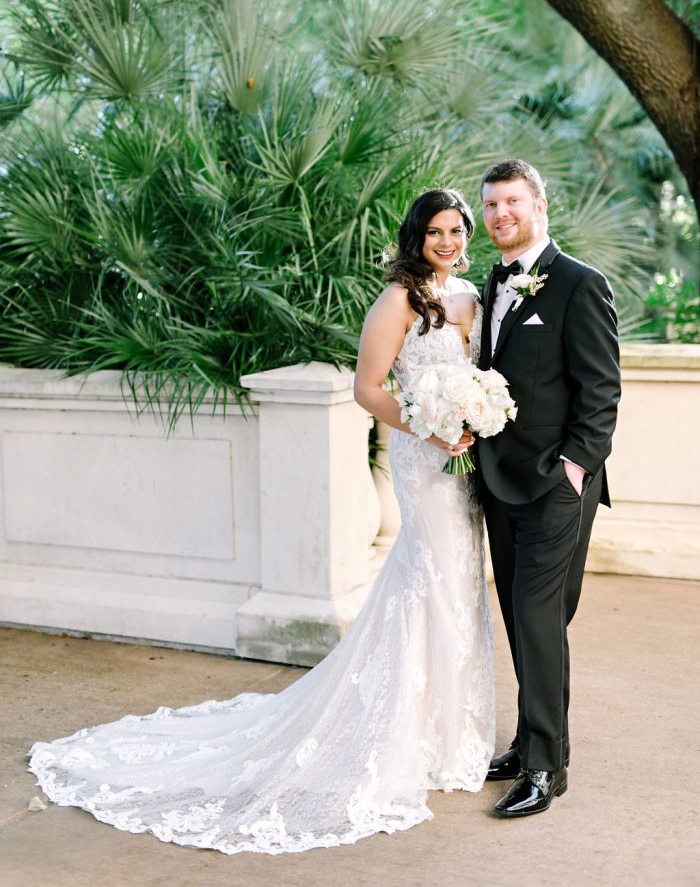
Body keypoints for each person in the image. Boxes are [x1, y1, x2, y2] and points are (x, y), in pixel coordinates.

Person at [27, 188, 495, 854]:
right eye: (435, 232)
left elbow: (477, 375)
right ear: (415, 237)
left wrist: (473, 415)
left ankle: (452, 733)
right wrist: (431, 423)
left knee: (459, 588)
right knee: (429, 580)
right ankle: (402, 733)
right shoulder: (398, 300)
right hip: (424, 459)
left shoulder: (472, 296)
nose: (446, 241)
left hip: (463, 467)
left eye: (455, 230)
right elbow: (369, 388)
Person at [476, 158, 620, 818]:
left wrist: (573, 471)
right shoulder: (493, 282)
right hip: (498, 478)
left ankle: (544, 767)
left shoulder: (579, 285)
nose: (500, 215)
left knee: (538, 615)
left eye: (512, 202)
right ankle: (529, 738)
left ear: (539, 204)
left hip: (555, 484)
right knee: (520, 612)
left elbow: (600, 394)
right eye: (491, 205)